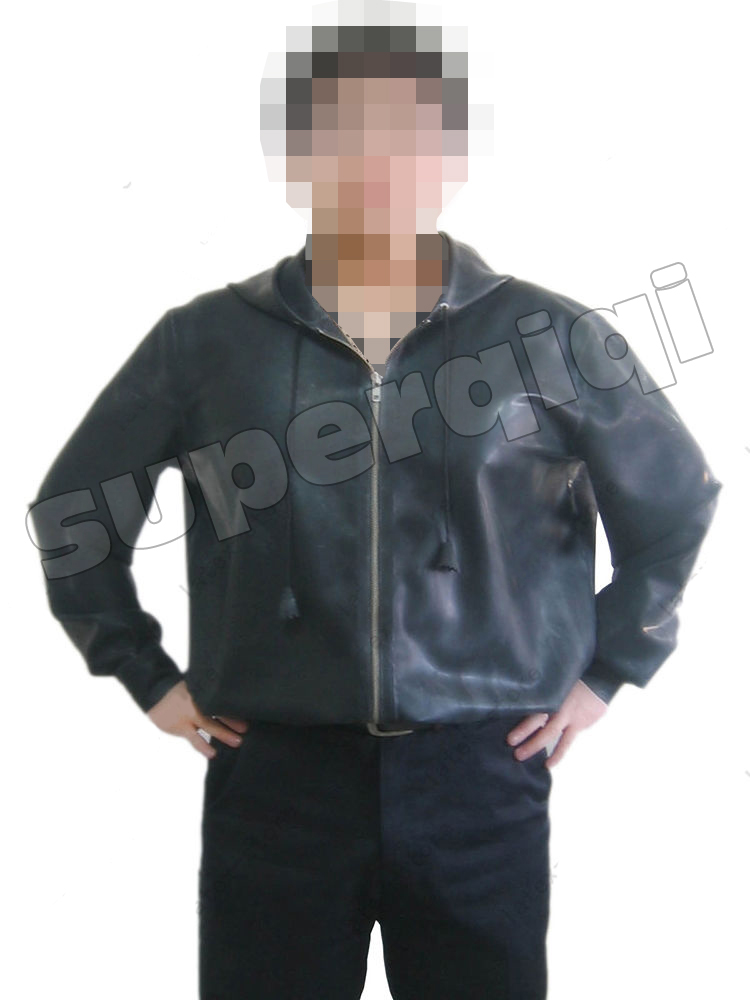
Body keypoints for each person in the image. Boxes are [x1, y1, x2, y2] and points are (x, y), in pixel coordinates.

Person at [27, 3, 722, 998]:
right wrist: (141, 672)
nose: (377, 163)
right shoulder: (206, 342)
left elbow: (674, 501)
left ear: (451, 155)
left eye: (408, 134)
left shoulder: (551, 339)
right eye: (344, 133)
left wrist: (613, 667)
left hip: (482, 770)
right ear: (298, 155)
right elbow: (75, 512)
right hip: (276, 776)